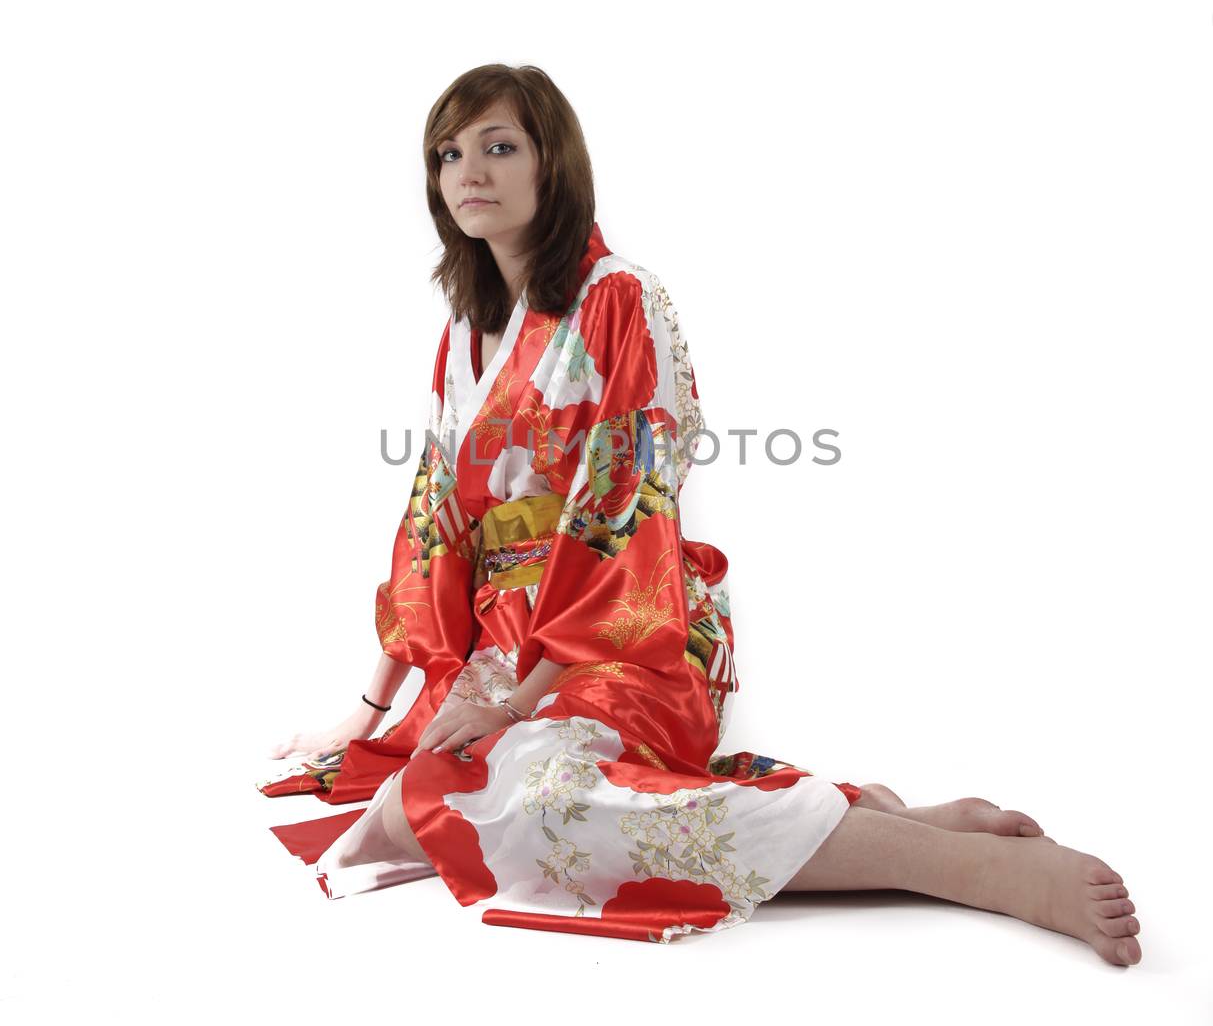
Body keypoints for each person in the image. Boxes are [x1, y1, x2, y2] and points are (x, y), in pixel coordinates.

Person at [261, 63, 1142, 961]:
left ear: (552, 164)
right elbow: (432, 523)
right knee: (418, 809)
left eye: (498, 147)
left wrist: (521, 703)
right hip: (502, 646)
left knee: (541, 798)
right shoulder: (463, 333)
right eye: (448, 154)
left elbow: (624, 508)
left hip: (623, 636)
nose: (467, 173)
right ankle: (868, 822)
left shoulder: (619, 299)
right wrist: (369, 709)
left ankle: (955, 871)